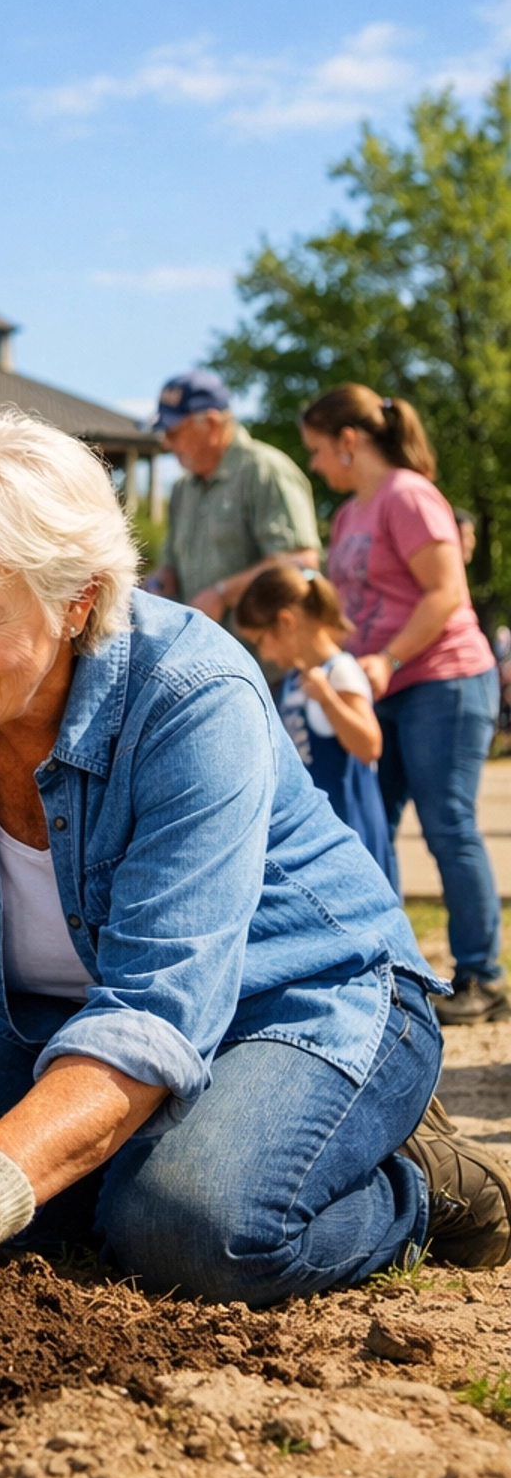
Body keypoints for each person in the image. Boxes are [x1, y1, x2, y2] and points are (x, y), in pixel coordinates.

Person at [0, 404, 511, 1313]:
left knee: (188, 1225)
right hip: (70, 1023)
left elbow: (161, 1001)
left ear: (77, 599)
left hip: (305, 1002)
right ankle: (121, 1172)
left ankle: (425, 1188)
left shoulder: (192, 695)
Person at [302, 386, 505, 1025]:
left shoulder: (409, 496)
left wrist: (386, 661)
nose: (313, 465)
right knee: (366, 826)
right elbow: (346, 609)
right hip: (378, 687)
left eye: (316, 450)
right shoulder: (347, 514)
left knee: (446, 824)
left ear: (349, 441)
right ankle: (383, 964)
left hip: (442, 679)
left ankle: (483, 975)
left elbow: (446, 593)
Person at [234, 564, 391, 876]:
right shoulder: (295, 680)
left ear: (286, 622)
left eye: (261, 640)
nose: (263, 654)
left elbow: (370, 746)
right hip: (320, 829)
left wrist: (328, 699)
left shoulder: (340, 671)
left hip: (352, 826)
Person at [145, 368, 319, 629]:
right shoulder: (183, 488)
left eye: (173, 432)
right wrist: (158, 584)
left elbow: (300, 562)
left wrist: (223, 593)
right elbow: (170, 568)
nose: (166, 444)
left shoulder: (266, 471)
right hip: (201, 658)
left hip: (262, 664)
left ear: (212, 425)